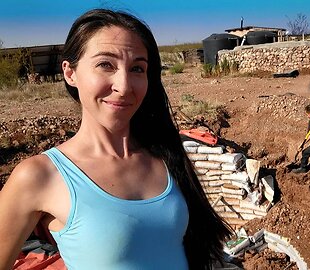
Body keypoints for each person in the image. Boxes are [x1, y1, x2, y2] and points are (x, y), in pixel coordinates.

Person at [0, 9, 232, 269]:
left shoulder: (165, 155)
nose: (124, 86)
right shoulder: (39, 175)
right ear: (70, 73)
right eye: (105, 64)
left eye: (137, 68)